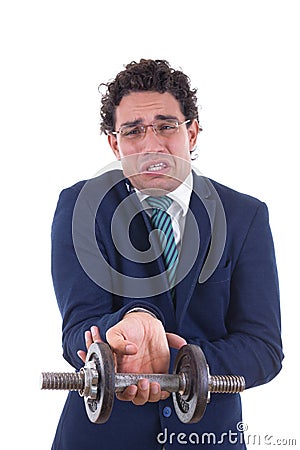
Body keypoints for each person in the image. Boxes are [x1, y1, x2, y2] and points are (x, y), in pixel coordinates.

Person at [51, 59, 283, 449]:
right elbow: (78, 331)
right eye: (134, 131)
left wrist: (175, 365)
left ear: (191, 132)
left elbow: (263, 347)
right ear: (115, 143)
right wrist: (131, 325)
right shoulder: (80, 208)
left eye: (166, 126)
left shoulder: (244, 216)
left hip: (209, 438)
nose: (152, 145)